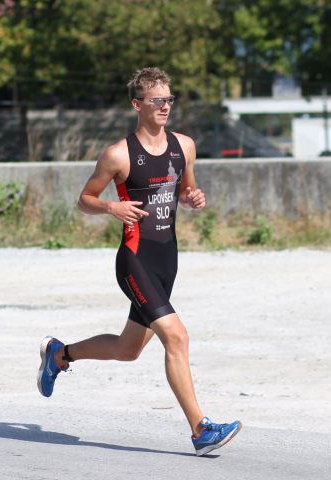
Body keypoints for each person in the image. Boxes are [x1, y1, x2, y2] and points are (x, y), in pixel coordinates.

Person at [37, 67, 242, 456]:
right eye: (157, 100)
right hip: (134, 261)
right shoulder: (118, 154)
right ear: (137, 105)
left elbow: (186, 189)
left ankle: (59, 355)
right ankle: (201, 430)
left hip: (167, 259)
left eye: (169, 99)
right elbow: (84, 199)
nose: (165, 106)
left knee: (128, 349)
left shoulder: (185, 146)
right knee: (177, 337)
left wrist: (193, 198)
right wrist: (111, 206)